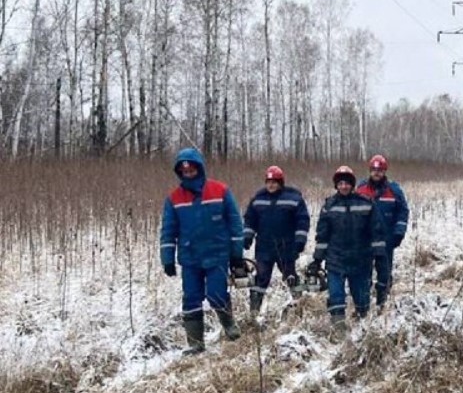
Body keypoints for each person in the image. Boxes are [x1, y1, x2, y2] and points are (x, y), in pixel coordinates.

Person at [159, 147, 246, 355]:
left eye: (191, 170)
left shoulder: (220, 191)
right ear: (179, 173)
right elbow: (168, 231)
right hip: (190, 258)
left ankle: (229, 326)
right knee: (191, 298)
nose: (188, 174)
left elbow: (235, 224)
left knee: (216, 295)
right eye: (184, 171)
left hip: (217, 255)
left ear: (199, 168)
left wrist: (236, 254)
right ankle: (196, 343)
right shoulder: (173, 199)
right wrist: (167, 258)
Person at [308, 165, 385, 338]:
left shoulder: (366, 203)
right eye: (340, 183)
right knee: (336, 297)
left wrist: (379, 256)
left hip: (361, 260)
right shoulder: (329, 206)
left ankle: (362, 331)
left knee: (362, 300)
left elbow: (376, 231)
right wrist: (316, 260)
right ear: (336, 185)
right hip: (336, 260)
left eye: (347, 183)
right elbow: (322, 236)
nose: (344, 186)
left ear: (352, 185)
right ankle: (339, 332)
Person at [242, 165, 310, 314]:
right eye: (268, 181)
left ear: (280, 182)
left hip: (286, 247)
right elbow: (250, 220)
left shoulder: (293, 198)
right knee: (260, 279)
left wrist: (300, 240)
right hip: (264, 248)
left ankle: (299, 307)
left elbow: (302, 220)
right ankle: (253, 313)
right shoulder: (258, 199)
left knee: (291, 278)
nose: (271, 185)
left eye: (274, 182)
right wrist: (247, 236)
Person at [356, 154, 409, 309]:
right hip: (364, 240)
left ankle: (382, 302)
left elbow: (402, 212)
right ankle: (363, 306)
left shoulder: (394, 190)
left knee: (384, 273)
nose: (376, 173)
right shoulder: (360, 188)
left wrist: (399, 232)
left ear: (385, 171)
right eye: (374, 169)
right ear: (369, 170)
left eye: (380, 170)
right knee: (363, 273)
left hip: (386, 239)